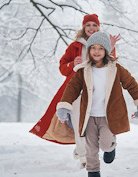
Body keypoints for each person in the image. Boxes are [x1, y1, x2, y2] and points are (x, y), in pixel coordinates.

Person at [28, 14, 120, 167]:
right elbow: (63, 67)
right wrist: (72, 64)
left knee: (98, 121)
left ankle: (100, 146)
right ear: (83, 27)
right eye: (88, 25)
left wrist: (111, 47)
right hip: (77, 90)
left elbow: (110, 65)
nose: (91, 28)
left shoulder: (102, 44)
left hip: (97, 90)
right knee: (80, 123)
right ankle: (85, 158)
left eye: (94, 25)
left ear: (98, 27)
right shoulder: (75, 46)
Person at [56, 31, 138, 177]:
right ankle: (93, 174)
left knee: (105, 143)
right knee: (91, 147)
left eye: (100, 48)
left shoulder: (116, 69)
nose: (96, 51)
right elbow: (72, 88)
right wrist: (64, 106)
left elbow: (131, 84)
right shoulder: (83, 71)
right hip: (89, 117)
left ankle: (110, 148)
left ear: (106, 50)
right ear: (89, 50)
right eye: (93, 48)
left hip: (108, 117)